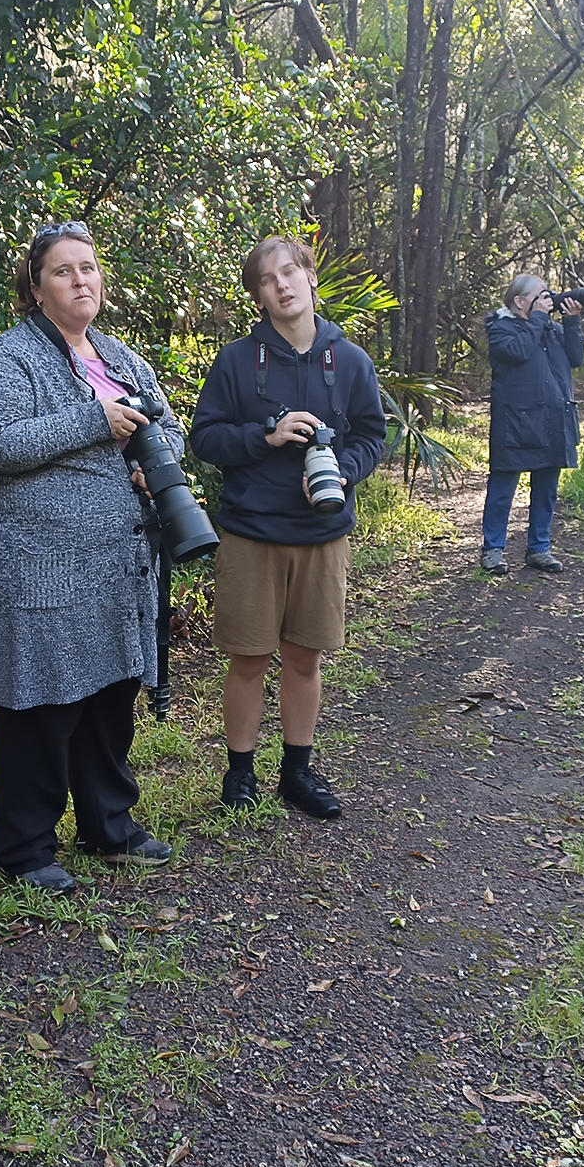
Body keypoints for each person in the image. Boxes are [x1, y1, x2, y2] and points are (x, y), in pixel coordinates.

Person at [0, 220, 178, 894]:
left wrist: (154, 462)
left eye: (88, 267)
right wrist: (95, 421)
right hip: (42, 567)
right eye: (63, 270)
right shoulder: (10, 357)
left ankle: (109, 825)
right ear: (35, 286)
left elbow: (166, 424)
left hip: (118, 563)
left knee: (111, 696)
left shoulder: (121, 357)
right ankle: (25, 850)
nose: (80, 280)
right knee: (39, 705)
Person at [189, 236, 385, 819]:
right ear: (259, 296)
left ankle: (297, 771)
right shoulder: (236, 362)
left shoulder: (349, 360)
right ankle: (240, 772)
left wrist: (343, 473)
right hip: (252, 534)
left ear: (309, 277)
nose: (282, 284)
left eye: (290, 271)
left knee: (306, 659)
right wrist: (265, 436)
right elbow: (204, 439)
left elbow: (374, 435)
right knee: (248, 658)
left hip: (322, 535)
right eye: (268, 279)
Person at [481, 273, 584, 575]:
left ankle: (539, 548)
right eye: (540, 295)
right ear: (519, 300)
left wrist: (573, 322)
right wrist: (539, 318)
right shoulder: (501, 330)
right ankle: (493, 551)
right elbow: (519, 351)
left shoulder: (550, 329)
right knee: (502, 490)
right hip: (515, 423)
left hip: (553, 419)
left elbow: (575, 358)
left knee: (546, 489)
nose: (547, 300)